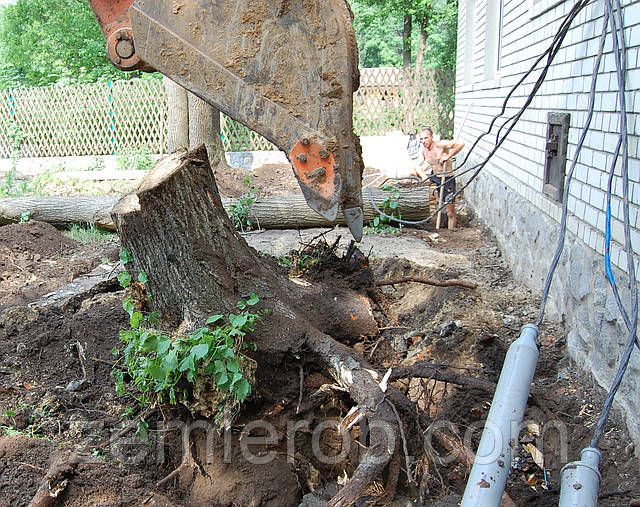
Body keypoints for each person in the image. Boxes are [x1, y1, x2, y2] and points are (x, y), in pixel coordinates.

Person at [415, 126, 465, 229]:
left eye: (426, 138)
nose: (424, 141)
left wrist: (448, 156)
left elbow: (461, 143)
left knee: (450, 212)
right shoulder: (424, 150)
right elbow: (415, 165)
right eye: (421, 139)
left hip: (447, 179)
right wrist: (424, 176)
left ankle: (451, 232)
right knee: (414, 175)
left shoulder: (440, 145)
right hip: (435, 177)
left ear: (431, 137)